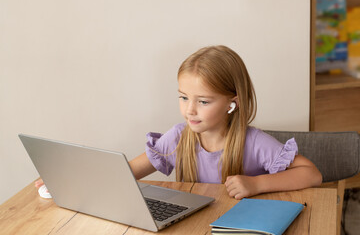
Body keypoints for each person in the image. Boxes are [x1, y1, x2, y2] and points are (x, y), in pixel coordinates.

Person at [36, 45, 322, 200]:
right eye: (184, 98)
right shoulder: (177, 137)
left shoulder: (254, 142)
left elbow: (312, 175)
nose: (190, 111)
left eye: (204, 101)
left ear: (232, 102)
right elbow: (126, 171)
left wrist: (257, 184)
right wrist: (66, 180)